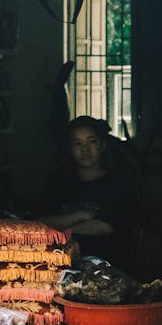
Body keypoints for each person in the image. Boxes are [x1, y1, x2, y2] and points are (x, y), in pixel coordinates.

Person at [36, 115, 140, 271]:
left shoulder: (118, 183)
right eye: (77, 143)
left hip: (109, 267)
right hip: (63, 267)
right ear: (70, 149)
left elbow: (106, 225)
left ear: (103, 144)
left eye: (91, 142)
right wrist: (79, 215)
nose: (85, 149)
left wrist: (65, 231)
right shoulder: (59, 183)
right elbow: (40, 221)